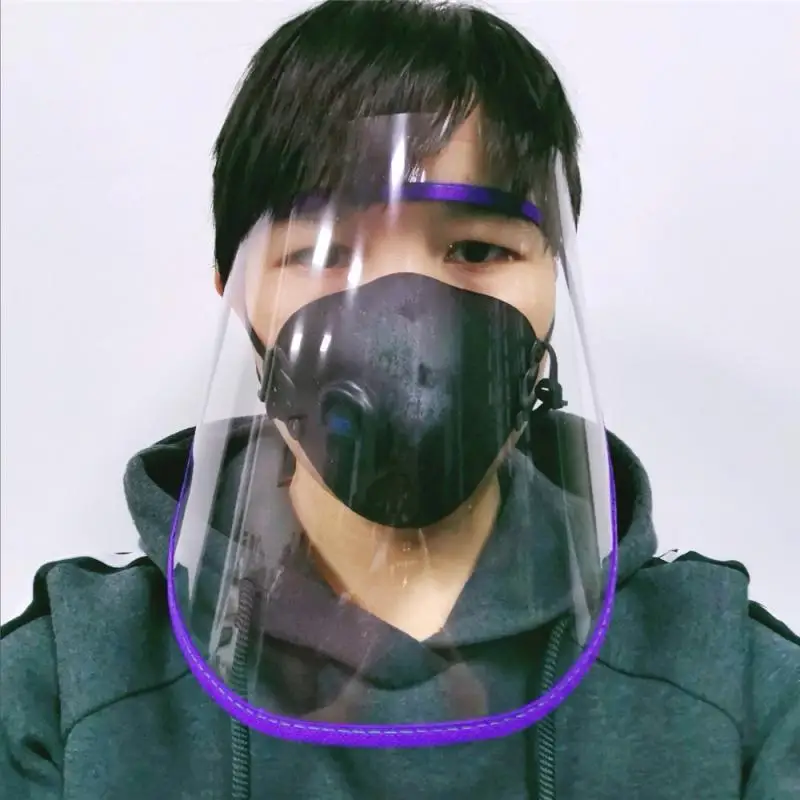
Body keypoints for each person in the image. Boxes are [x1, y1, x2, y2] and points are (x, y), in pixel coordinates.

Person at [2, 1, 798, 798]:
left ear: (555, 280)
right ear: (233, 293)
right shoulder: (64, 689)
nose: (404, 322)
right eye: (324, 254)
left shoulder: (732, 687)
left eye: (478, 248)